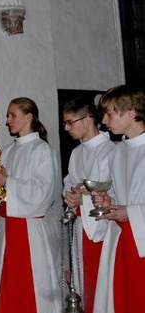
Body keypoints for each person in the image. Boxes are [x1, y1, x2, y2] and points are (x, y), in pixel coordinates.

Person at [0, 97, 62, 313]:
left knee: (30, 286)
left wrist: (8, 181)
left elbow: (43, 193)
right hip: (7, 227)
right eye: (8, 115)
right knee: (8, 282)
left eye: (12, 115)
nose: (7, 120)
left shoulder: (42, 151)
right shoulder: (8, 150)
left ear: (28, 117)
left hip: (29, 229)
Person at [90, 85, 145, 312]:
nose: (103, 120)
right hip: (122, 238)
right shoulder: (117, 151)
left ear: (130, 112)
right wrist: (107, 201)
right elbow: (120, 194)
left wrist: (131, 211)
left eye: (109, 113)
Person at [61, 96, 116, 312]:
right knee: (84, 283)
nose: (66, 128)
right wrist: (72, 196)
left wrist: (82, 198)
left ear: (88, 120)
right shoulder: (76, 153)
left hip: (102, 227)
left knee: (101, 283)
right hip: (81, 226)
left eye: (70, 122)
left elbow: (113, 192)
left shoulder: (110, 150)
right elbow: (69, 184)